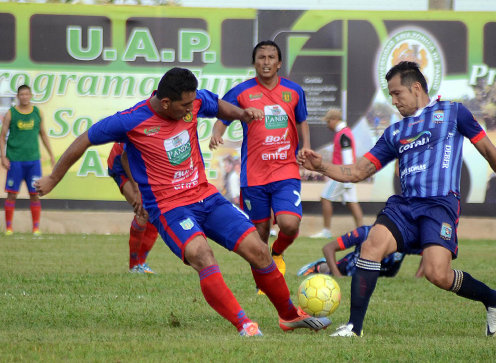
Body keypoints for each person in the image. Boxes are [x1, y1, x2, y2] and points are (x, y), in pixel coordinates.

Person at [35, 67, 331, 336]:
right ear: (166, 103)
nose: (192, 110)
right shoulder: (132, 120)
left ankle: (289, 315)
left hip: (205, 195)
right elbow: (84, 139)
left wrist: (241, 114)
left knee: (258, 250)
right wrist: (52, 179)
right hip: (169, 207)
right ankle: (244, 324)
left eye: (193, 104)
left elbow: (215, 104)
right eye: (185, 107)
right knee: (202, 255)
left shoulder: (194, 102)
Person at [299, 61, 496, 338]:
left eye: (398, 94)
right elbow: (359, 171)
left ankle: (494, 299)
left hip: (439, 204)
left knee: (437, 274)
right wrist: (321, 166)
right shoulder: (395, 132)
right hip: (404, 206)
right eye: (391, 95)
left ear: (416, 87)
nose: (394, 101)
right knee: (371, 246)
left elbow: (488, 150)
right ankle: (353, 327)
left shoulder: (453, 112)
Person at [209, 40, 311, 278]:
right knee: (259, 232)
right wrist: (216, 133)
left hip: (285, 170)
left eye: (271, 58)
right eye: (261, 58)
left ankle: (277, 253)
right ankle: (264, 282)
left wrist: (306, 146)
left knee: (289, 224)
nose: (266, 62)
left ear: (279, 63)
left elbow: (301, 121)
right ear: (254, 62)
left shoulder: (294, 91)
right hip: (254, 174)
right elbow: (223, 115)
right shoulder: (241, 91)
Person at [0, 85, 56, 236]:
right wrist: (3, 156)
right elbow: (2, 136)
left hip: (33, 161)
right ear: (18, 96)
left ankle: (36, 228)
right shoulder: (11, 113)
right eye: (21, 94)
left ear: (31, 95)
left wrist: (51, 154)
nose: (24, 97)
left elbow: (43, 134)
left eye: (27, 94)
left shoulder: (37, 112)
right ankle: (9, 228)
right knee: (12, 194)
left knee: (35, 194)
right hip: (15, 160)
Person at [311, 108, 363, 239]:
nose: (327, 125)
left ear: (334, 120)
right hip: (346, 174)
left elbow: (347, 159)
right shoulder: (344, 133)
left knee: (325, 198)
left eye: (328, 122)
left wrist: (347, 180)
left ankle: (326, 231)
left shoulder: (343, 134)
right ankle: (362, 232)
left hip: (341, 174)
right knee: (352, 202)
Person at [107, 142, 158, 273]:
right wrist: (136, 190)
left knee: (155, 213)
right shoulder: (141, 125)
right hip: (121, 166)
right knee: (143, 212)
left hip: (141, 167)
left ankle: (142, 263)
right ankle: (134, 265)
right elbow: (125, 157)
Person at [298, 225, 420, 279]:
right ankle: (320, 266)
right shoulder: (364, 232)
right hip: (346, 270)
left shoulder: (404, 238)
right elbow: (328, 248)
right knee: (326, 272)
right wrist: (338, 277)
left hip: (374, 276)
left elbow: (429, 251)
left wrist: (417, 278)